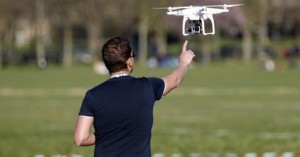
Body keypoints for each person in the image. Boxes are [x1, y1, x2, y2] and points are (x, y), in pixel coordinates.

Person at [73, 36, 195, 157]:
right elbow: (176, 79)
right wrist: (183, 62)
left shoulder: (93, 95)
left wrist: (105, 136)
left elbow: (80, 138)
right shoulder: (147, 86)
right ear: (129, 62)